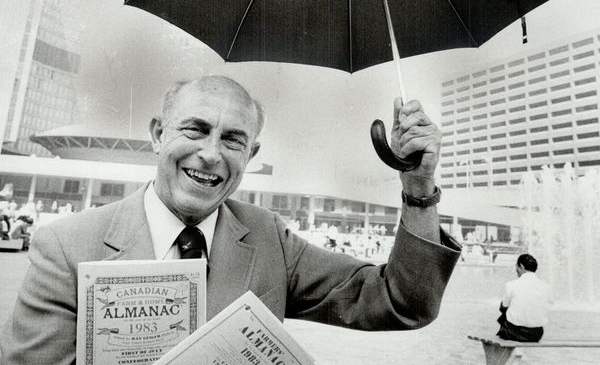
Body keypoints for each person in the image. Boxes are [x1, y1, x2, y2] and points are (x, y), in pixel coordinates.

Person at [0, 75, 461, 364]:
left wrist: (418, 185)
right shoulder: (65, 247)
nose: (210, 154)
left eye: (233, 139)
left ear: (251, 154)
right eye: (196, 129)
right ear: (158, 134)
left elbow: (403, 303)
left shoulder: (268, 239)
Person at [497, 254, 551, 342]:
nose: (516, 270)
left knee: (504, 310)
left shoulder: (511, 285)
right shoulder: (546, 287)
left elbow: (503, 307)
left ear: (521, 266)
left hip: (514, 333)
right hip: (536, 334)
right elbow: (548, 305)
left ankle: (501, 353)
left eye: (516, 266)